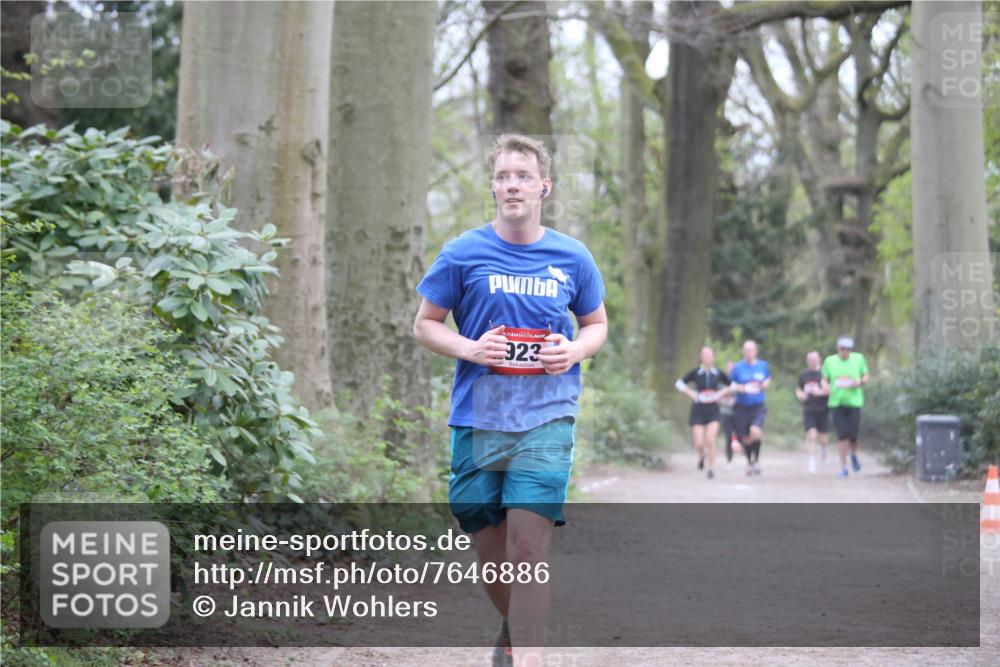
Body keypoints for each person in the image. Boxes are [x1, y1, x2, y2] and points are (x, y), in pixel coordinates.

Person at [413, 133, 607, 666]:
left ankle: (529, 657)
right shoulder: (462, 253)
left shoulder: (572, 256)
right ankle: (517, 627)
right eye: (502, 176)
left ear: (544, 185)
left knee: (527, 550)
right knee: (491, 551)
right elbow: (426, 325)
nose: (512, 185)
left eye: (522, 175)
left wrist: (573, 352)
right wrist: (471, 348)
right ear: (493, 186)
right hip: (478, 417)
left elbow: (596, 325)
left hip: (547, 415)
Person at [675, 347, 731, 479]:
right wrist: (690, 393)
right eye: (703, 355)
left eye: (709, 354)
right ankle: (701, 455)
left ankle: (711, 468)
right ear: (701, 357)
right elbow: (679, 383)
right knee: (699, 443)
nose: (706, 357)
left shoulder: (718, 373)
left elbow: (732, 385)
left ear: (713, 357)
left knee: (711, 440)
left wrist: (721, 393)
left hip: (713, 410)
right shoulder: (696, 373)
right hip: (698, 410)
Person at [822, 336, 870, 478]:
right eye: (843, 349)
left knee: (853, 436)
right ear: (838, 349)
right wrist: (825, 386)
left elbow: (866, 376)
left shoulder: (858, 359)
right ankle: (843, 467)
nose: (845, 352)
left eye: (848, 349)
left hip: (854, 402)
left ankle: (853, 454)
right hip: (836, 403)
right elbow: (824, 379)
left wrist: (859, 382)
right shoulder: (830, 361)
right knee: (842, 435)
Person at [729, 340, 771, 476]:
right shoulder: (737, 367)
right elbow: (730, 384)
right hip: (742, 407)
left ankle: (756, 460)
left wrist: (765, 383)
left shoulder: (763, 365)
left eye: (751, 350)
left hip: (758, 406)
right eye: (746, 350)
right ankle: (749, 463)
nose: (749, 353)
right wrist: (738, 387)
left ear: (756, 351)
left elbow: (768, 378)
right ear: (743, 352)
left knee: (755, 431)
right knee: (746, 438)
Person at [796, 351, 830, 474]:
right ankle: (811, 462)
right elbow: (798, 389)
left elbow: (831, 390)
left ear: (819, 360)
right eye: (810, 359)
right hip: (808, 409)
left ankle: (824, 449)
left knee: (823, 438)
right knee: (811, 435)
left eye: (814, 359)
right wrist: (801, 395)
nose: (812, 362)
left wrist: (819, 392)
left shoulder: (825, 374)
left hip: (823, 409)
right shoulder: (804, 375)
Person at [720, 361, 737, 463]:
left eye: (732, 368)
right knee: (728, 436)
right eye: (728, 368)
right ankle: (729, 459)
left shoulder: (739, 381)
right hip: (725, 412)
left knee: (742, 434)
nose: (730, 370)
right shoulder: (721, 382)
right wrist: (725, 400)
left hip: (739, 412)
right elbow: (716, 395)